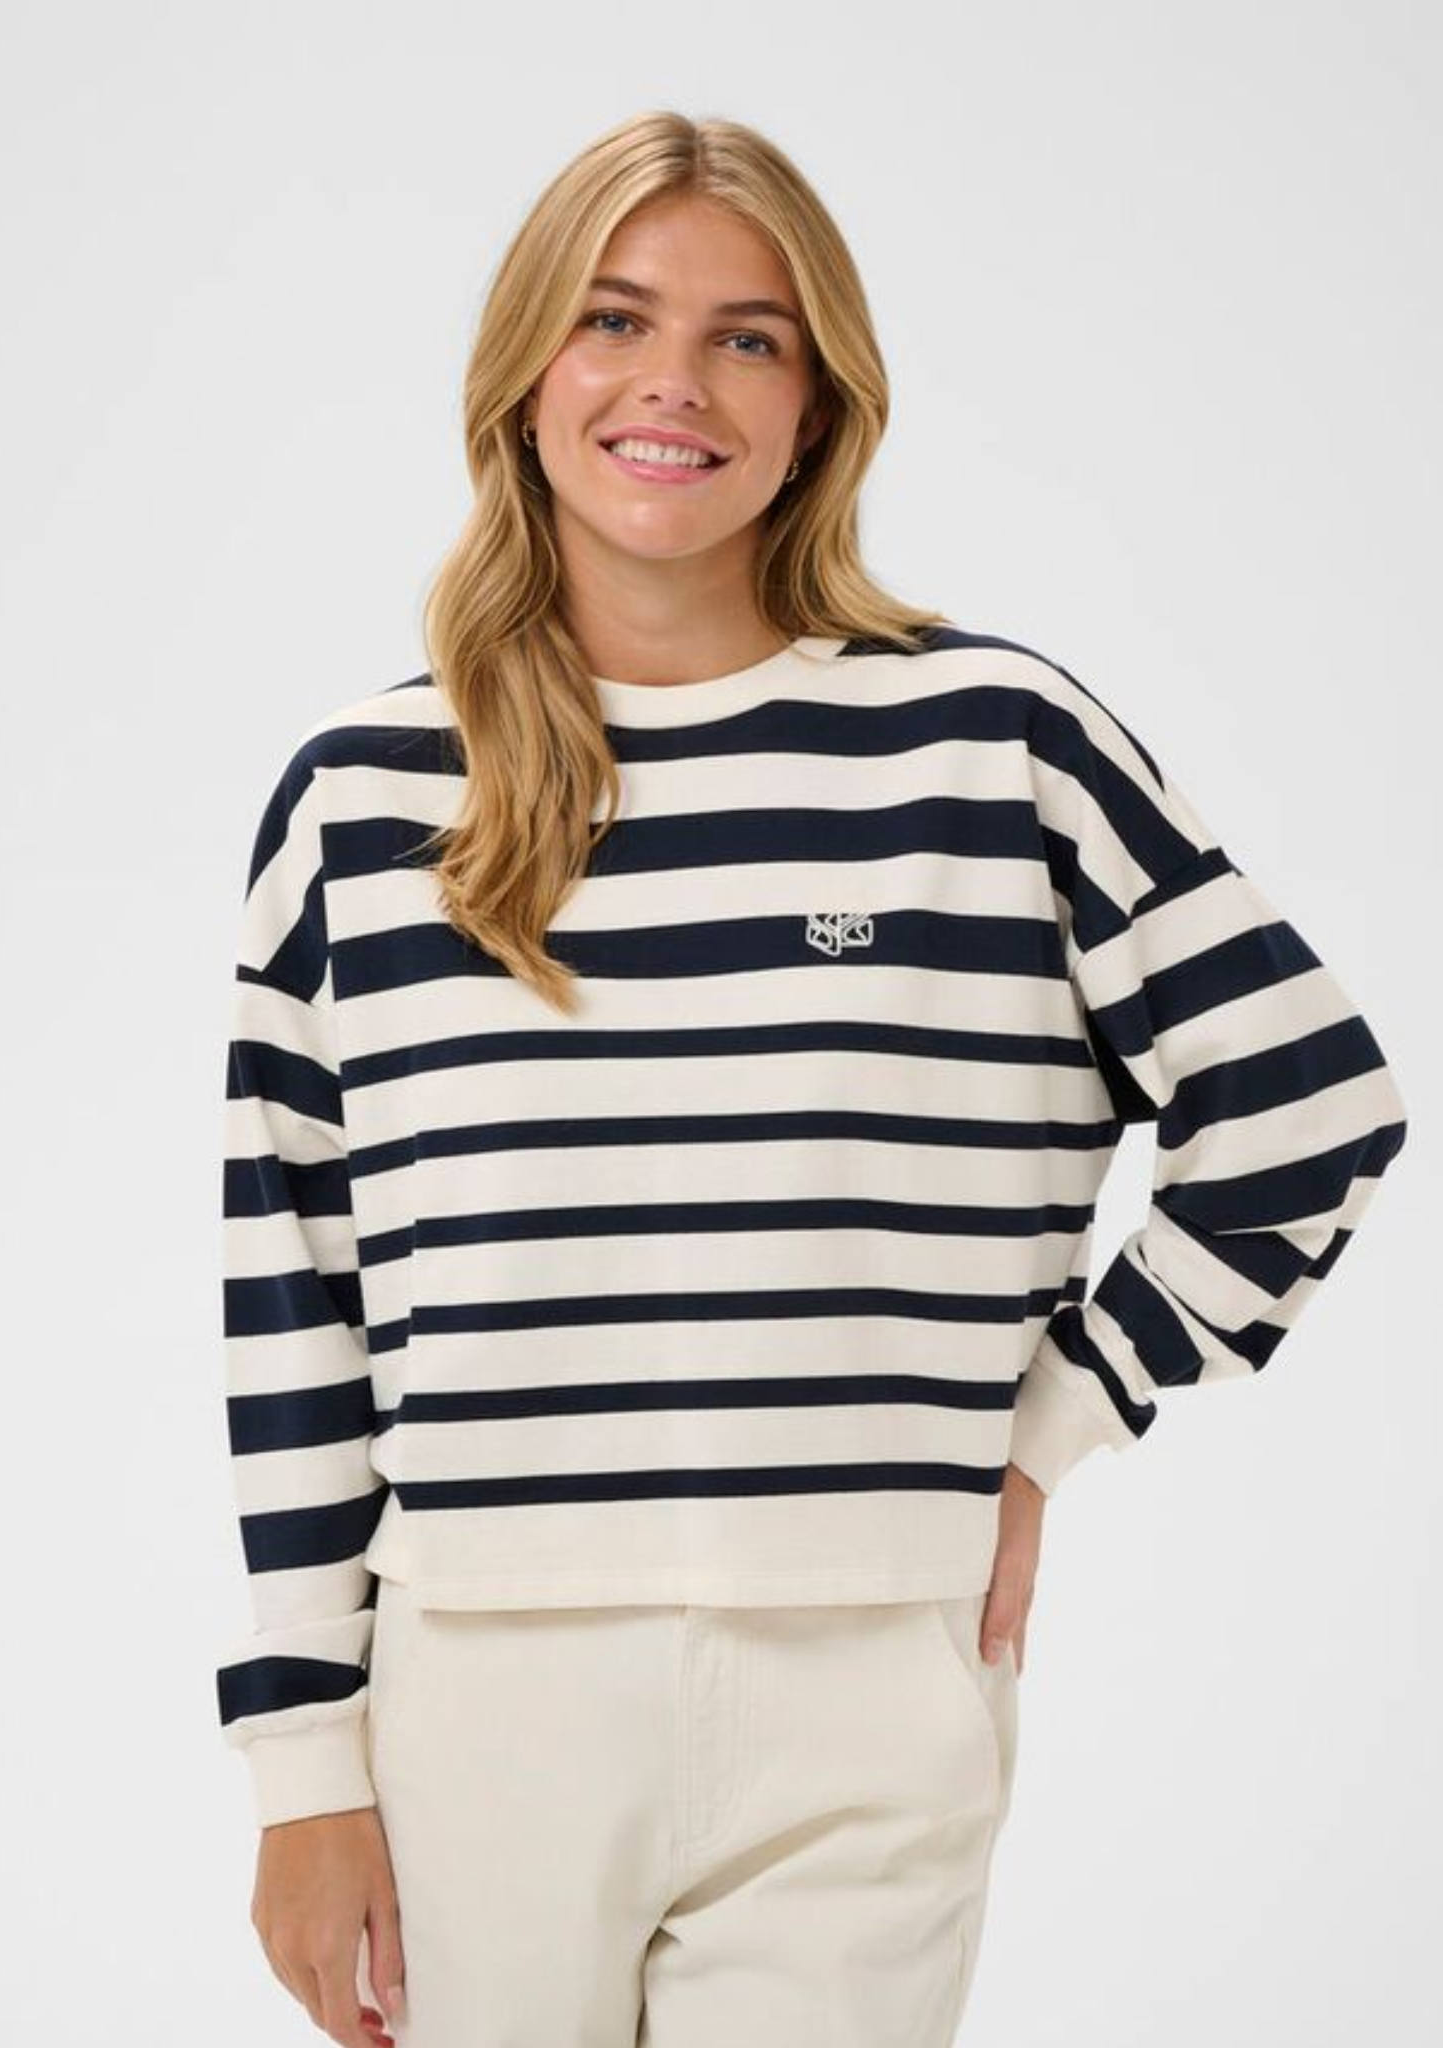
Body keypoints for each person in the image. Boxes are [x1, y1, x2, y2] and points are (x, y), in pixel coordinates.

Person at [215, 109, 1409, 2048]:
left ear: (817, 403)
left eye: (746, 337)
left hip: (871, 1672)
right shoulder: (364, 797)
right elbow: (294, 1302)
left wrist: (1053, 1421)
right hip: (478, 1692)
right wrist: (300, 1766)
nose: (672, 382)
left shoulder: (994, 748)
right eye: (613, 319)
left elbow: (1305, 1101)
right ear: (524, 370)